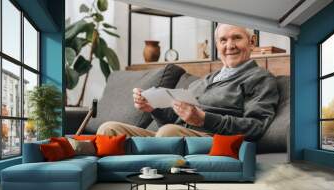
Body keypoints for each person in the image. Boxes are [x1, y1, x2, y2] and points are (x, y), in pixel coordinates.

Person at [97, 24, 279, 141]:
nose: (229, 45)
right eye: (223, 40)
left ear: (252, 42)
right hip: (173, 136)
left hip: (212, 139)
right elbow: (174, 122)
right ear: (217, 46)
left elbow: (257, 126)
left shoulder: (260, 78)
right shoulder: (205, 80)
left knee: (169, 133)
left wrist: (204, 119)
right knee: (108, 130)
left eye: (236, 38)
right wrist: (153, 109)